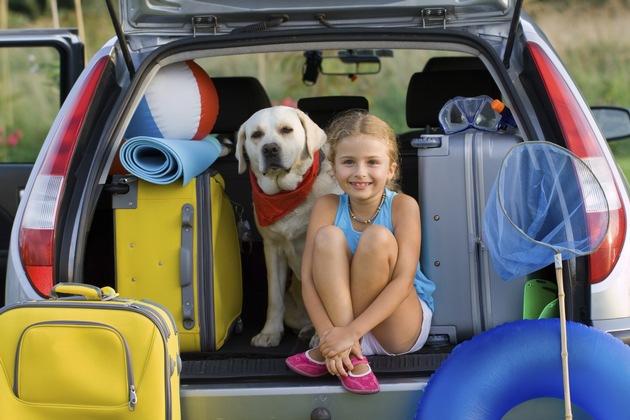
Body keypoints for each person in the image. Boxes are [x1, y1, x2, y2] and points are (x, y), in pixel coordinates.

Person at [285, 111, 435, 394]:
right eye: (349, 162)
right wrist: (329, 335)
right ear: (333, 167)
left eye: (372, 163)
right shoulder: (327, 206)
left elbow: (403, 282)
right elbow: (308, 278)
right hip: (341, 327)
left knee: (377, 237)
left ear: (391, 170)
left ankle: (341, 349)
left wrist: (346, 335)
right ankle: (351, 357)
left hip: (396, 324)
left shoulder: (403, 206)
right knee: (327, 237)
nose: (360, 172)